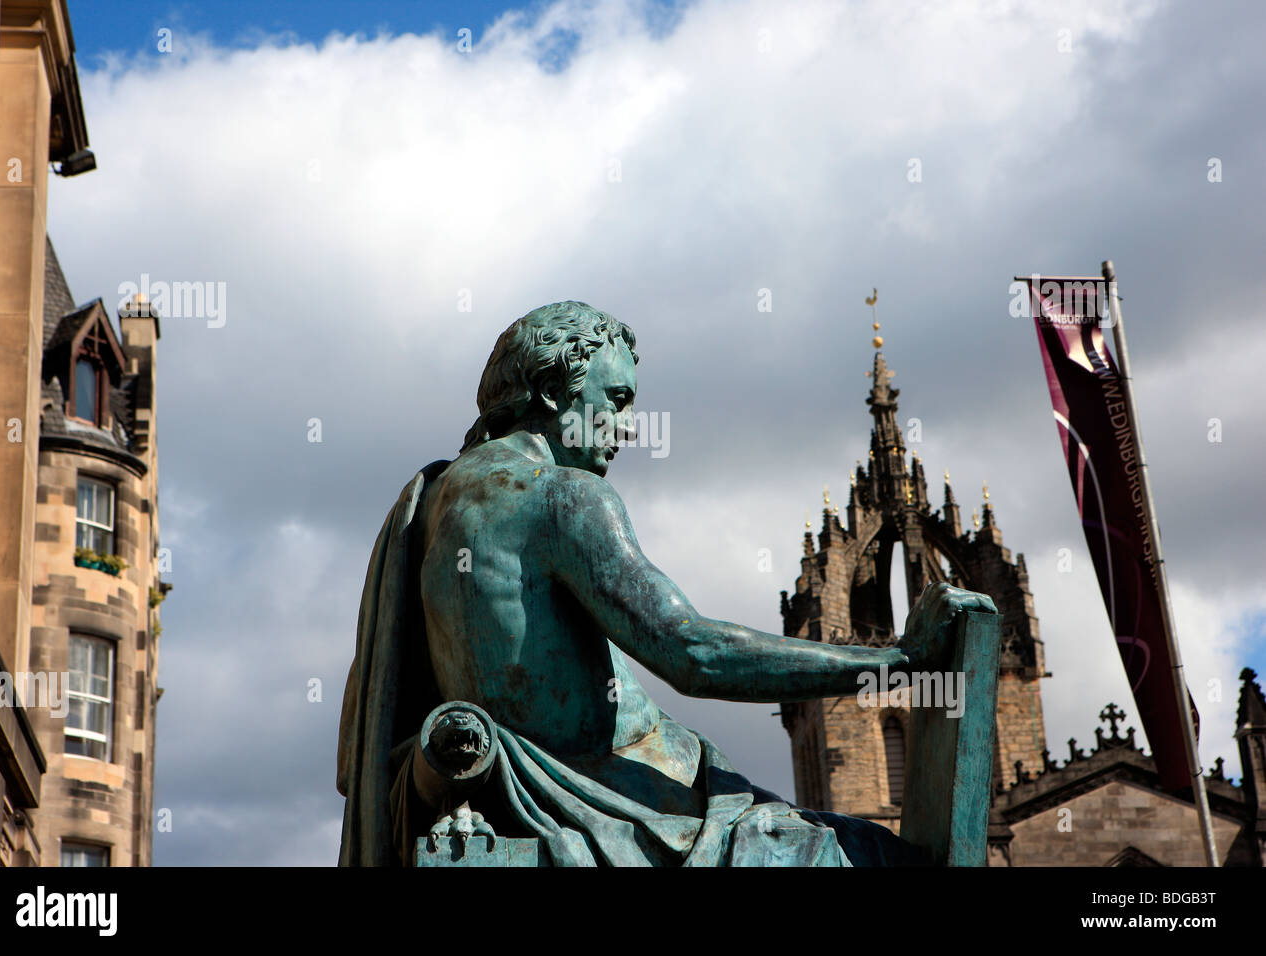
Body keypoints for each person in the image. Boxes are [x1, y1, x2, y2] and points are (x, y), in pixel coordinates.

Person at [337, 301, 995, 866]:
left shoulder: (428, 505)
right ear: (550, 392)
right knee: (879, 855)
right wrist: (900, 660)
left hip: (548, 785)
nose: (626, 428)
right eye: (615, 400)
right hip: (625, 805)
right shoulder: (563, 497)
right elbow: (694, 653)